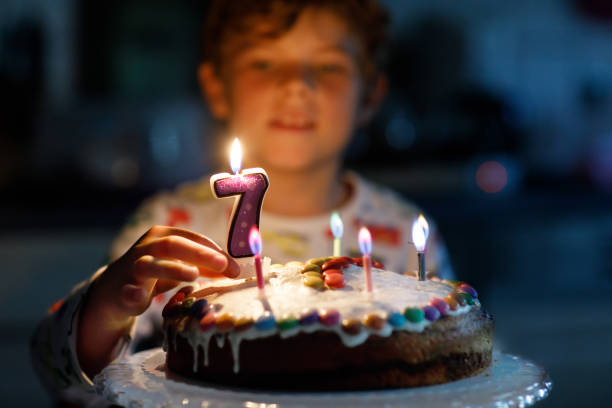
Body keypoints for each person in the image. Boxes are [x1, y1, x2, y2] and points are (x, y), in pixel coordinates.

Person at [31, 1, 453, 405]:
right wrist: (104, 311)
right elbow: (69, 381)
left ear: (370, 97)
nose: (295, 84)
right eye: (264, 64)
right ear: (216, 86)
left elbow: (455, 370)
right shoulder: (170, 226)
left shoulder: (404, 234)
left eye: (328, 66)